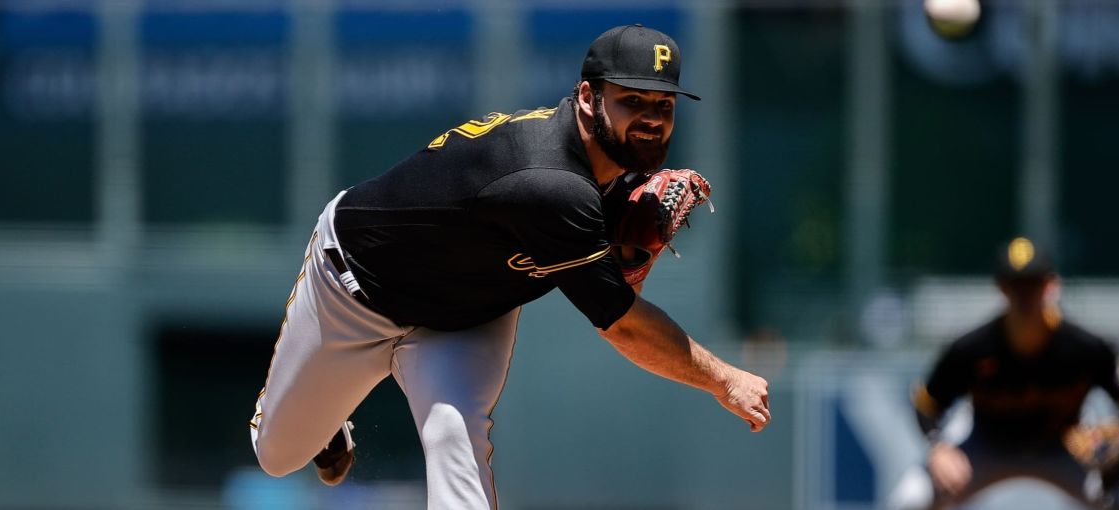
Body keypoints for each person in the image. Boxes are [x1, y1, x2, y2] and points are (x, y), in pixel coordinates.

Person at [247, 25, 771, 510]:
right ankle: (327, 419)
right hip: (355, 291)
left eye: (664, 104)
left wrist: (624, 253)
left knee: (456, 437)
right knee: (278, 456)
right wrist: (725, 380)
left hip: (469, 316)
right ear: (588, 98)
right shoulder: (550, 181)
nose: (652, 117)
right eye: (632, 100)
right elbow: (625, 326)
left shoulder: (612, 175)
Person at [888, 237, 1119, 510]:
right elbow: (927, 404)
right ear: (1001, 288)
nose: (1025, 296)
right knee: (911, 499)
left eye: (1033, 285)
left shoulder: (1083, 347)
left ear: (1051, 286)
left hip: (1062, 445)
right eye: (1016, 286)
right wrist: (938, 448)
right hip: (987, 443)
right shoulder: (974, 348)